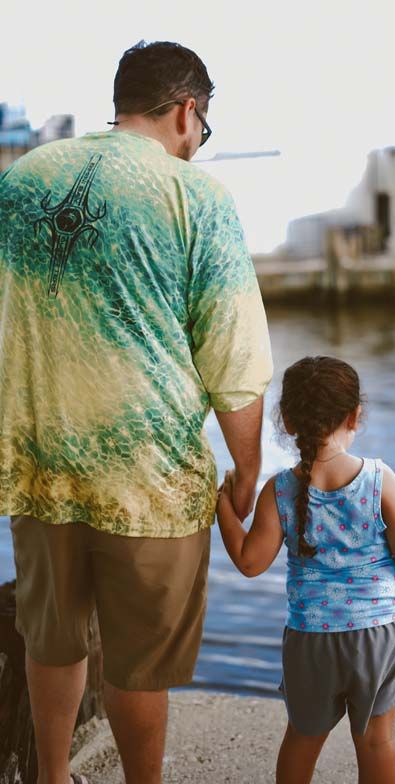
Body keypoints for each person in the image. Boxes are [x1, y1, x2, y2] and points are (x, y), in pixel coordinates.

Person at [0, 40, 273, 784]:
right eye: (204, 128)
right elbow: (234, 360)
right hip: (146, 478)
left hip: (39, 465)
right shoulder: (197, 198)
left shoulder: (21, 180)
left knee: (49, 637)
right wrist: (247, 470)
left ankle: (50, 778)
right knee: (137, 661)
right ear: (188, 111)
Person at [217, 356, 395, 784]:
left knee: (302, 736)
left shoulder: (280, 490)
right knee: (375, 741)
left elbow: (249, 561)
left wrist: (222, 506)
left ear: (288, 421)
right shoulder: (379, 479)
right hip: (379, 630)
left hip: (310, 636)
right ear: (354, 416)